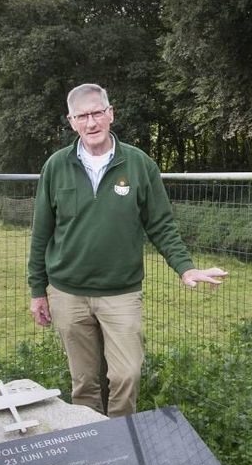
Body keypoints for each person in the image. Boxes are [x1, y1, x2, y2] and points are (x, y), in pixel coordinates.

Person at [28, 83, 227, 418]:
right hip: (68, 293)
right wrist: (38, 291)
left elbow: (161, 225)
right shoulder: (56, 167)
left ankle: (121, 446)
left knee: (126, 375)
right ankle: (91, 447)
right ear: (72, 121)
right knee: (85, 383)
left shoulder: (139, 165)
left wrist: (185, 267)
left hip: (120, 292)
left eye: (96, 113)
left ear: (110, 114)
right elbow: (41, 233)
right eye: (82, 116)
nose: (91, 123)